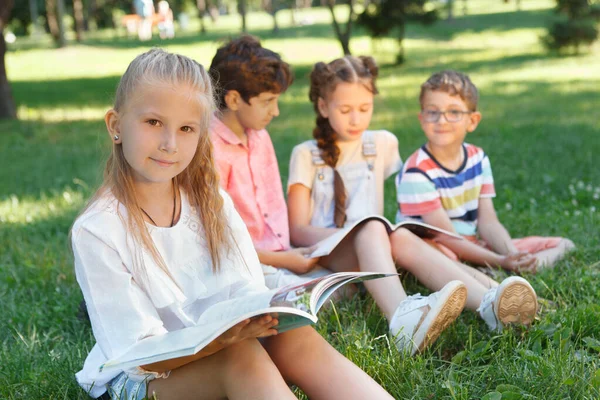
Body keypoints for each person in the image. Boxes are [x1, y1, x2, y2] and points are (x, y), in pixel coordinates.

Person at [71, 48, 393, 400]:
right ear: (116, 126)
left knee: (290, 335)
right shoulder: (98, 230)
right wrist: (221, 341)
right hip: (144, 377)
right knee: (240, 356)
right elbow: (139, 357)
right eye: (153, 123)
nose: (169, 144)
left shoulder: (211, 201)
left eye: (186, 128)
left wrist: (261, 316)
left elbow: (247, 289)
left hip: (216, 342)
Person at [287, 56, 539, 354]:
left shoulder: (382, 143)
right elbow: (297, 230)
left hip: (375, 245)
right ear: (323, 107)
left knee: (401, 236)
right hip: (329, 251)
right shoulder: (305, 154)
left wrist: (370, 232)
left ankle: (488, 306)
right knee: (371, 227)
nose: (356, 119)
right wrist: (351, 233)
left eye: (365, 109)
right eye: (345, 110)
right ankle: (401, 319)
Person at [396, 70, 575, 273]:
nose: (442, 120)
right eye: (432, 111)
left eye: (454, 112)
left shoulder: (477, 158)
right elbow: (445, 237)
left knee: (564, 244)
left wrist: (511, 254)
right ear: (422, 119)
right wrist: (500, 260)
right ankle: (488, 268)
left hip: (473, 244)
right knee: (444, 257)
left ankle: (518, 266)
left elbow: (488, 221)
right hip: (436, 247)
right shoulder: (416, 172)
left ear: (472, 121)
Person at [209, 35, 331, 290]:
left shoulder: (260, 137)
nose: (275, 111)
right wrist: (284, 260)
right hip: (243, 263)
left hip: (282, 253)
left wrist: (288, 255)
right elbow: (218, 241)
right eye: (267, 102)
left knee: (344, 279)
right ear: (233, 100)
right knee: (320, 294)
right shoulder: (209, 150)